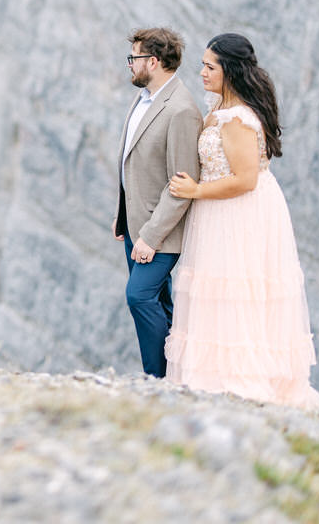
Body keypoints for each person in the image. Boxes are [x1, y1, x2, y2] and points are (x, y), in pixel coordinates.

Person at [163, 33, 319, 408]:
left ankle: (234, 382)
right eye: (203, 64)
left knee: (233, 289)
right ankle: (211, 380)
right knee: (220, 290)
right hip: (223, 211)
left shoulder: (237, 118)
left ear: (230, 71)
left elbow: (244, 179)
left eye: (210, 66)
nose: (202, 72)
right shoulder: (221, 107)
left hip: (237, 213)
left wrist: (195, 192)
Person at [115, 27, 202, 377]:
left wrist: (151, 236)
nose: (130, 66)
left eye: (134, 59)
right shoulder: (144, 99)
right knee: (161, 302)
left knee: (139, 296)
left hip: (159, 231)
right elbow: (133, 162)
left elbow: (181, 182)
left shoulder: (181, 110)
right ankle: (176, 376)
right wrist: (121, 215)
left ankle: (157, 378)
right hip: (134, 224)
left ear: (153, 61)